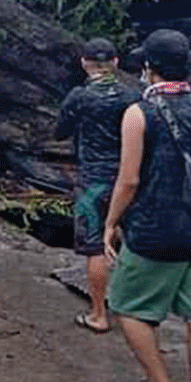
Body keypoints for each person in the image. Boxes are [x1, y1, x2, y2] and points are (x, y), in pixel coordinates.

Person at [103, 29, 191, 382]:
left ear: (149, 68)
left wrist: (111, 222)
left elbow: (129, 179)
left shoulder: (139, 113)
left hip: (155, 230)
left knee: (125, 307)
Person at [55, 38, 139, 333]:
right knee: (133, 242)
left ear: (84, 63)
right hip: (129, 179)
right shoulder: (133, 96)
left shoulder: (79, 97)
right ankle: (135, 310)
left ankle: (99, 314)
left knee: (94, 248)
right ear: (115, 63)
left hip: (92, 182)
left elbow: (60, 131)